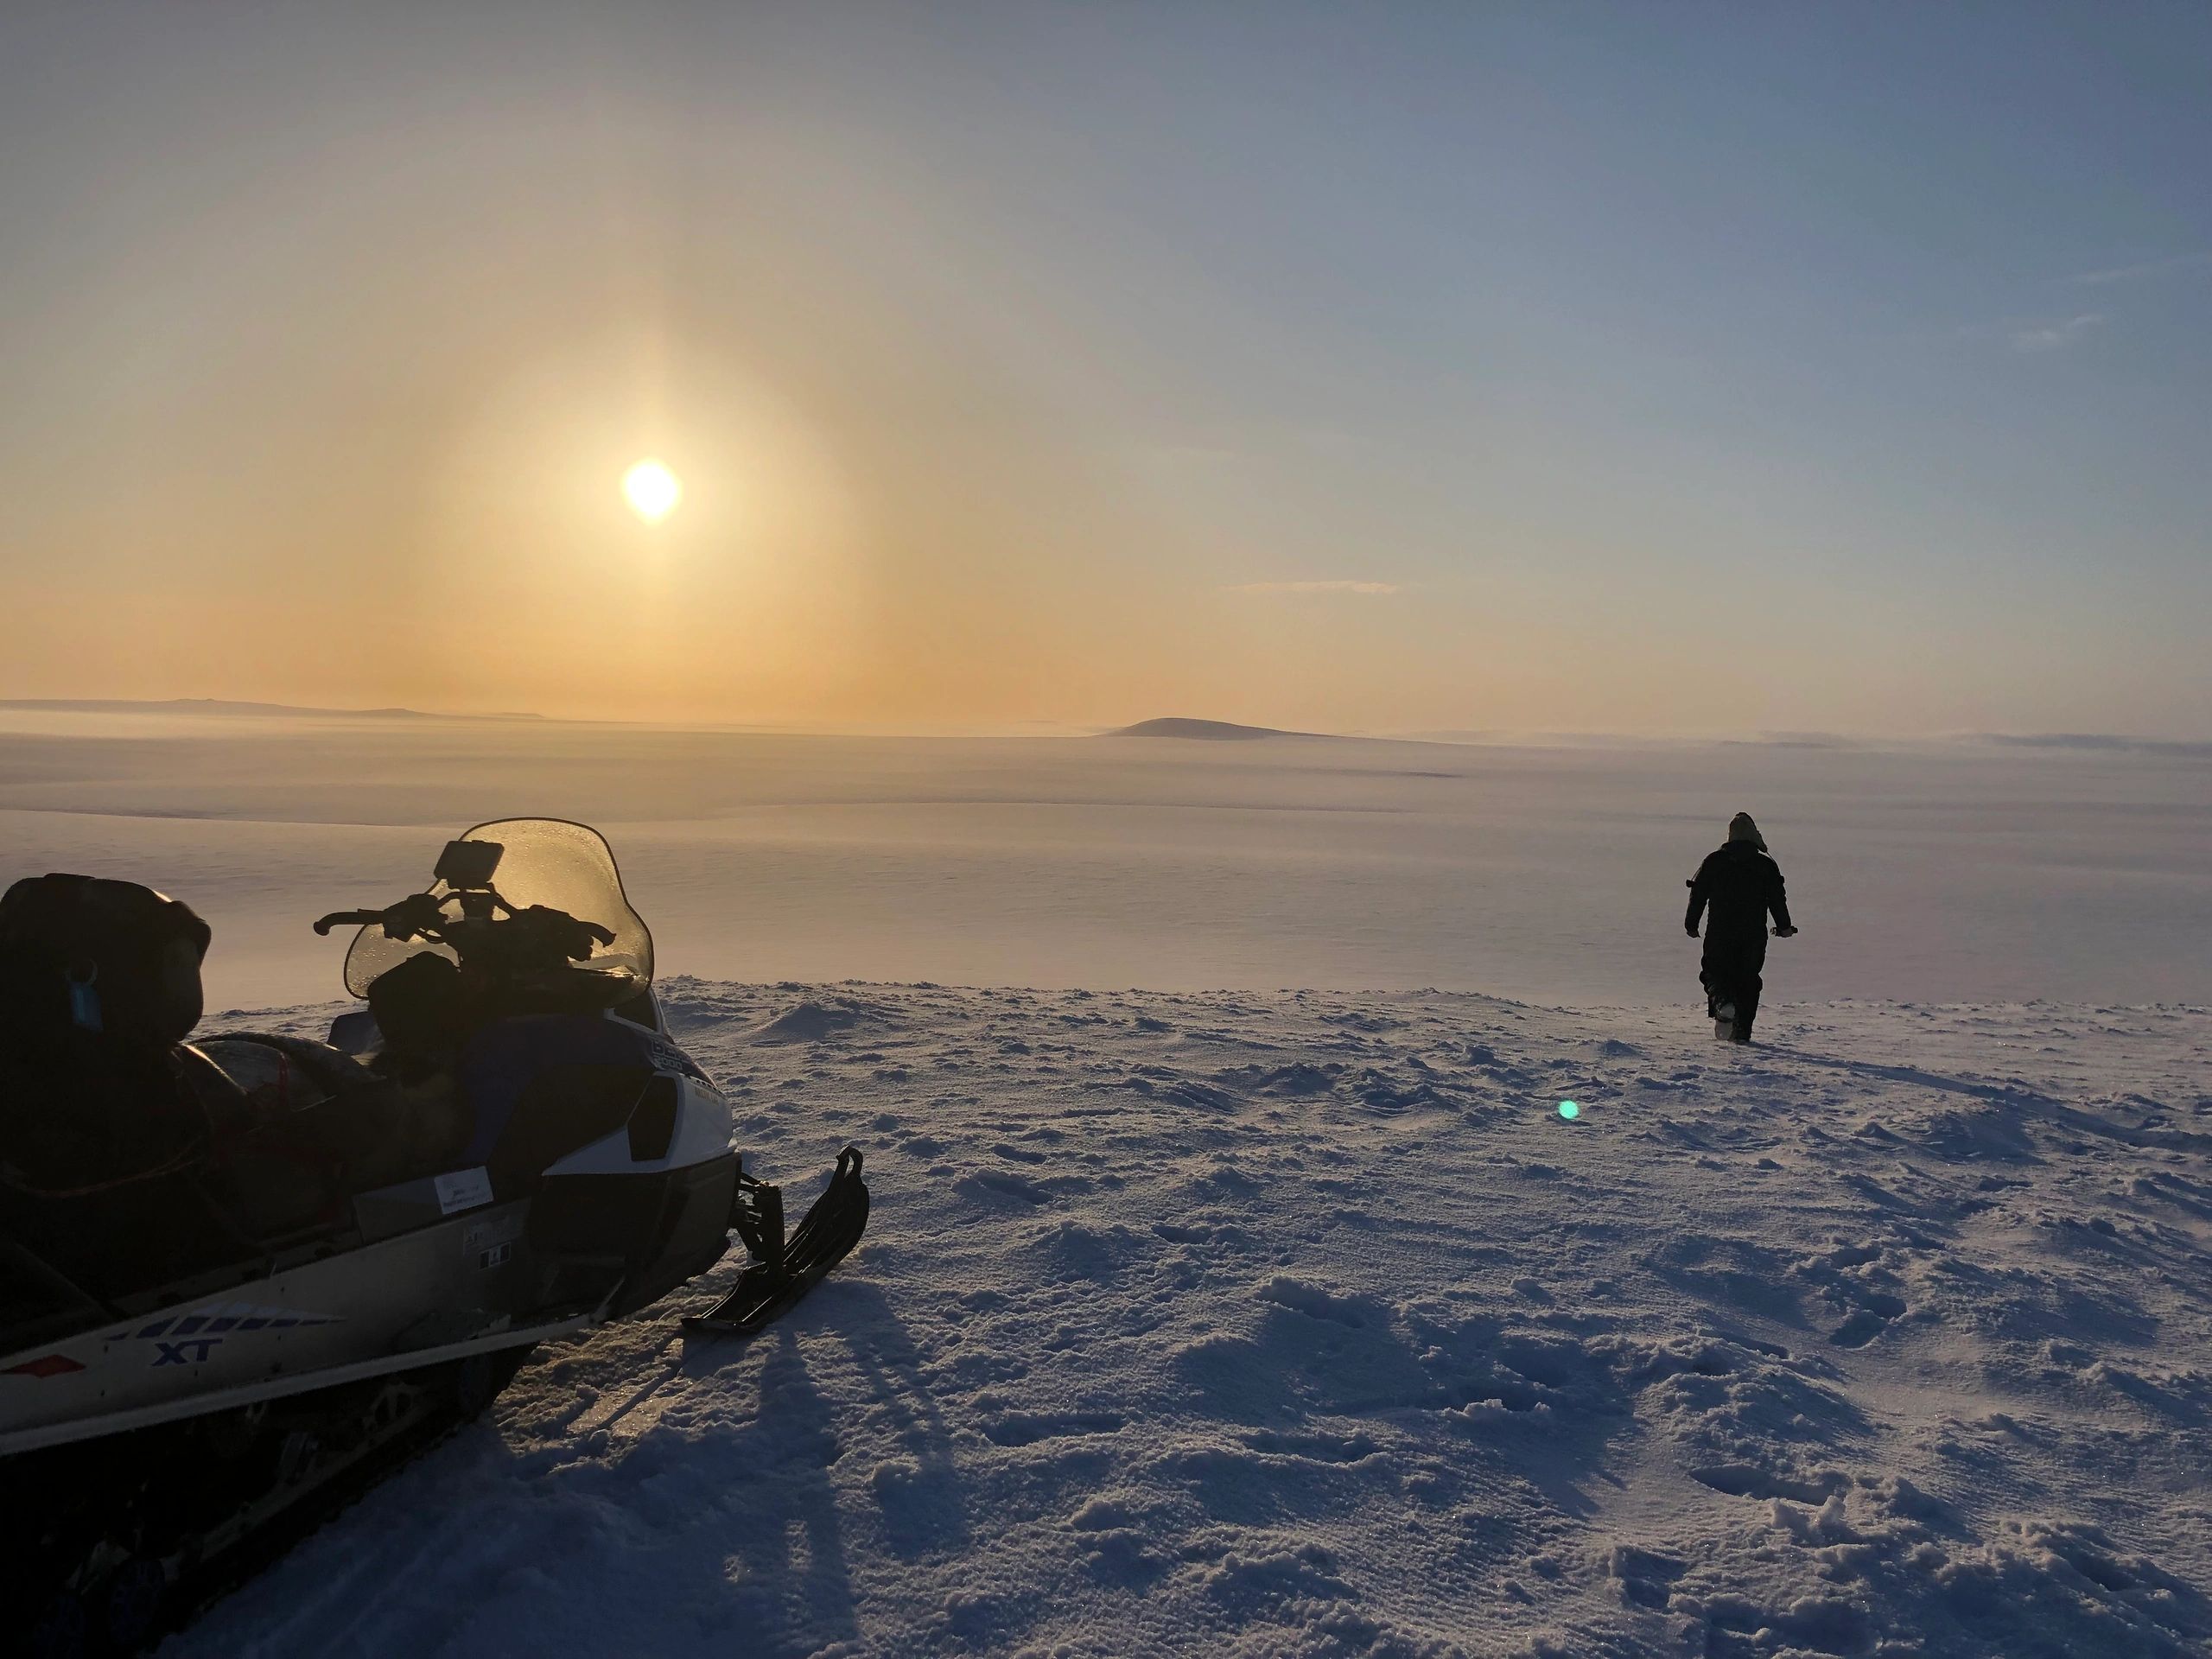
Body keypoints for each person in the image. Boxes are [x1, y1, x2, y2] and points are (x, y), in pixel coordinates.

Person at [1685, 812, 1796, 1043]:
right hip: (1753, 935)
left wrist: (1691, 924)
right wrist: (1785, 927)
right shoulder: (1765, 865)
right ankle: (1742, 1032)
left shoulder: (1714, 861)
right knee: (1748, 979)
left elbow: (1698, 895)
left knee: (1714, 972)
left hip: (1719, 932)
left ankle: (1722, 1005)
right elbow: (1777, 899)